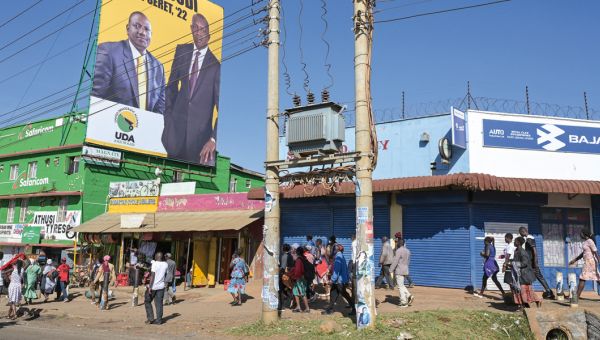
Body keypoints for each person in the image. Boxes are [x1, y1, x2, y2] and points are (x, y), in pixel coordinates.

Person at [162, 13, 220, 165]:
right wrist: (168, 119)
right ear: (191, 29)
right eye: (196, 28)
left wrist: (213, 139)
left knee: (191, 185)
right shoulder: (182, 51)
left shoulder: (215, 66)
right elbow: (171, 88)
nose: (199, 33)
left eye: (203, 30)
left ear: (209, 35)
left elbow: (222, 108)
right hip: (174, 135)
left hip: (199, 144)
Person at [91, 11, 165, 114]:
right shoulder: (109, 52)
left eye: (147, 29)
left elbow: (160, 110)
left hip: (146, 129)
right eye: (137, 26)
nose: (142, 32)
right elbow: (96, 98)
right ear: (128, 28)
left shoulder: (158, 67)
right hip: (110, 126)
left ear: (151, 34)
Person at [518, 227, 555, 299]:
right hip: (530, 262)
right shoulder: (529, 239)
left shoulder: (529, 239)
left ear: (523, 231)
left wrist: (535, 262)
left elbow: (534, 251)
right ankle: (548, 292)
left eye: (520, 233)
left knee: (538, 276)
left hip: (532, 263)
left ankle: (549, 292)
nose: (520, 235)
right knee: (534, 277)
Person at [322, 244, 356, 315]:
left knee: (345, 295)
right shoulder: (340, 256)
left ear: (336, 250)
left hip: (339, 281)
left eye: (333, 249)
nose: (332, 250)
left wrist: (332, 280)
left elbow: (336, 270)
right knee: (333, 293)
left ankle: (354, 309)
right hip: (339, 280)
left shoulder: (338, 257)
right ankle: (330, 309)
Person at [569, 230, 600, 298]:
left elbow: (595, 251)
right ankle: (576, 296)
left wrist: (599, 260)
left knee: (582, 278)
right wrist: (575, 260)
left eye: (581, 234)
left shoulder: (590, 241)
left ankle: (576, 297)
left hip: (590, 262)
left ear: (584, 234)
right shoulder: (586, 242)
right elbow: (583, 253)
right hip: (588, 262)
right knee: (597, 278)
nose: (580, 235)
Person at [513, 237, 542, 307]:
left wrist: (515, 264)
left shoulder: (522, 252)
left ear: (519, 243)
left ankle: (537, 300)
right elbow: (516, 261)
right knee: (520, 289)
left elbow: (524, 263)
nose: (514, 242)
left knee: (525, 290)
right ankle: (524, 304)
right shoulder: (516, 251)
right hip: (519, 273)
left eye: (515, 241)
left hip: (524, 274)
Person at [145, 252, 168, 325]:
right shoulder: (165, 264)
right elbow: (166, 274)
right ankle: (159, 320)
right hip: (161, 286)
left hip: (154, 287)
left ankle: (150, 318)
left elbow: (153, 276)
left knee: (147, 301)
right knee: (159, 304)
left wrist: (150, 287)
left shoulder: (154, 264)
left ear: (156, 257)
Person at [390, 239, 414, 307]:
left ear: (399, 243)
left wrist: (391, 269)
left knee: (400, 287)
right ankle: (409, 295)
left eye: (397, 243)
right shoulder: (408, 251)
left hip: (399, 270)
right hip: (405, 269)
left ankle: (404, 302)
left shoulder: (398, 251)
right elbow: (408, 261)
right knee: (402, 285)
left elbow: (395, 261)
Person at [500, 233, 522, 306]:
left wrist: (504, 265)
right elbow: (508, 255)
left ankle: (516, 299)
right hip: (510, 263)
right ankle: (515, 299)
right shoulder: (510, 246)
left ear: (508, 238)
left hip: (510, 264)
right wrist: (503, 256)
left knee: (511, 282)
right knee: (511, 282)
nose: (504, 239)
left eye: (505, 238)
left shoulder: (510, 246)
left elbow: (509, 256)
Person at [288, 246, 310, 313]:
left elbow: (298, 271)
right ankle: (298, 307)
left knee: (302, 293)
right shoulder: (304, 258)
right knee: (296, 292)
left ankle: (307, 308)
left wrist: (294, 277)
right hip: (302, 278)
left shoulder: (298, 260)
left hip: (299, 279)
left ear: (297, 252)